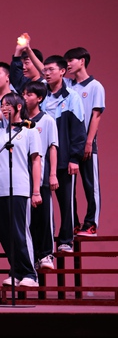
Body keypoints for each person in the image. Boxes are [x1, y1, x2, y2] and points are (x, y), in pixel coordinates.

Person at [0, 93, 42, 287]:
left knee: (20, 232)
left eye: (7, 105)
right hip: (0, 189)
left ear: (19, 106)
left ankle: (30, 273)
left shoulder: (29, 131)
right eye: (1, 105)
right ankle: (16, 271)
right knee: (5, 234)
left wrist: (36, 191)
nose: (3, 109)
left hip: (19, 187)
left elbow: (36, 161)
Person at [38, 55, 86, 252]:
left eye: (51, 70)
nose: (47, 73)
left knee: (66, 202)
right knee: (42, 204)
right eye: (45, 70)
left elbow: (78, 129)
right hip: (41, 160)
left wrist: (75, 158)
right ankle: (44, 246)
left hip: (65, 158)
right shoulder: (40, 94)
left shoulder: (72, 97)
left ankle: (66, 240)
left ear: (62, 71)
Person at [63, 47, 104, 236]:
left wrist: (88, 142)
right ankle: (73, 224)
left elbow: (96, 115)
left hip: (87, 143)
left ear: (82, 61)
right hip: (70, 145)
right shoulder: (67, 85)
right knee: (69, 189)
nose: (68, 64)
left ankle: (91, 224)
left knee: (90, 185)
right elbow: (46, 70)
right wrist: (28, 50)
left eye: (71, 60)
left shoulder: (95, 86)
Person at [22, 81, 59, 270]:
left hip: (42, 176)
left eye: (29, 94)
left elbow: (53, 147)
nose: (25, 97)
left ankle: (46, 254)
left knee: (44, 217)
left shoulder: (47, 120)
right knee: (29, 221)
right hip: (23, 178)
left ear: (39, 98)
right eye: (24, 94)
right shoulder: (20, 122)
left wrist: (52, 174)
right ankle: (33, 256)